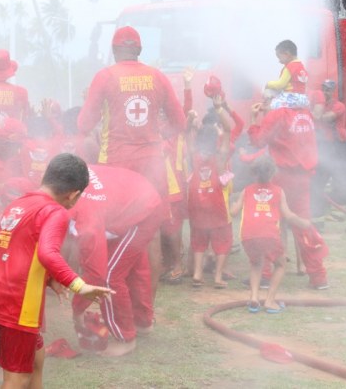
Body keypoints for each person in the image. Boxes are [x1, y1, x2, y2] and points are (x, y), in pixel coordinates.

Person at [0, 153, 113, 389]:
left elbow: (21, 249)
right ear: (74, 194)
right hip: (17, 303)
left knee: (36, 356)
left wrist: (49, 279)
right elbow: (48, 253)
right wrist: (80, 285)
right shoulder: (56, 212)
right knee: (17, 379)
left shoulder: (19, 204)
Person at [78, 26, 186, 287]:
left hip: (115, 167)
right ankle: (146, 315)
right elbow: (180, 123)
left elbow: (83, 124)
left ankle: (117, 299)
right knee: (150, 233)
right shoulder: (158, 77)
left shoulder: (105, 77)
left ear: (115, 50)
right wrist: (156, 137)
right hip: (153, 166)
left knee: (115, 231)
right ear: (139, 50)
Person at [69, 164, 167, 357]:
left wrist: (77, 309)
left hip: (142, 211)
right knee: (131, 266)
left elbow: (97, 273)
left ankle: (125, 338)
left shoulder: (85, 216)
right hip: (133, 198)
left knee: (110, 275)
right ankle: (142, 322)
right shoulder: (65, 182)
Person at [247, 91, 328, 289]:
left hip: (282, 176)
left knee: (270, 222)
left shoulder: (278, 114)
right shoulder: (304, 113)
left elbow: (258, 140)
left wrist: (253, 119)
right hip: (304, 177)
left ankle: (265, 274)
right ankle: (318, 277)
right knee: (303, 225)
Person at [229, 155, 318, 314]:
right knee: (281, 264)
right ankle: (269, 301)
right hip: (269, 234)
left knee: (256, 264)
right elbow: (288, 215)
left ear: (254, 173)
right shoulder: (278, 191)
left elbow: (234, 212)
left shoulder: (246, 191)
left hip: (248, 235)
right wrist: (304, 223)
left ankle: (254, 298)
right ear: (273, 174)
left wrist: (232, 203)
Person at [186, 105, 233, 289]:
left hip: (197, 204)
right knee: (223, 240)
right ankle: (218, 277)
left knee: (199, 238)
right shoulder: (220, 156)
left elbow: (186, 130)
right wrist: (220, 109)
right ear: (215, 141)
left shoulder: (192, 155)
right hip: (217, 206)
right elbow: (229, 129)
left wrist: (190, 119)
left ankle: (198, 273)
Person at [309, 80, 346, 229]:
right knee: (318, 181)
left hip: (338, 147)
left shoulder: (339, 106)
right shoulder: (318, 106)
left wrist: (310, 112)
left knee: (338, 179)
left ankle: (338, 212)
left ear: (333, 91)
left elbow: (324, 118)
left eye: (328, 90)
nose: (326, 92)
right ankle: (319, 215)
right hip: (323, 146)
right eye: (324, 89)